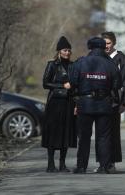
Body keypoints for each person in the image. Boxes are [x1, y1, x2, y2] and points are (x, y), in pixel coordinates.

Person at [70, 37, 122, 174]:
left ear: (90, 47)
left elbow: (73, 82)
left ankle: (81, 167)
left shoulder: (81, 62)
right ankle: (104, 167)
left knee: (84, 136)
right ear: (103, 47)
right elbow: (117, 84)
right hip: (104, 104)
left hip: (85, 104)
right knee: (104, 137)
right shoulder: (110, 64)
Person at [93, 31, 125, 172]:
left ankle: (112, 163)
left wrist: (124, 102)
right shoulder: (97, 58)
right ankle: (102, 163)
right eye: (104, 44)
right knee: (100, 134)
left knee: (113, 134)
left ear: (114, 43)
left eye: (109, 43)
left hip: (114, 103)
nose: (106, 46)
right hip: (99, 102)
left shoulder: (120, 58)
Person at [42, 36, 77, 172]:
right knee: (53, 133)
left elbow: (75, 85)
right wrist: (62, 85)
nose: (67, 52)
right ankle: (51, 163)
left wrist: (76, 104)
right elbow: (45, 83)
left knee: (66, 133)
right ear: (59, 51)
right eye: (64, 50)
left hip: (68, 103)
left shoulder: (73, 66)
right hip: (54, 104)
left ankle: (62, 163)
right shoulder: (52, 64)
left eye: (69, 50)